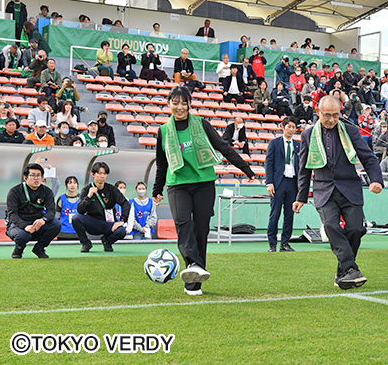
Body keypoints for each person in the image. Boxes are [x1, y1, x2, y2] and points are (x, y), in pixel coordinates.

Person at [153, 86, 255, 296]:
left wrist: (246, 169)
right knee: (183, 223)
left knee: (201, 230)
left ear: (190, 104)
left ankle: (194, 283)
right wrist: (157, 189)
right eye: (175, 102)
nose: (180, 107)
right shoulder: (163, 131)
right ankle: (193, 264)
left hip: (203, 183)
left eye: (184, 102)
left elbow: (223, 147)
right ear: (169, 103)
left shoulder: (201, 124)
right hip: (177, 184)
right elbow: (162, 164)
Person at [293, 96, 384, 290]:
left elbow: (368, 158)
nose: (332, 120)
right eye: (327, 115)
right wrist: (301, 197)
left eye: (336, 115)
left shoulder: (350, 131)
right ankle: (351, 268)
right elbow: (304, 169)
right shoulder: (308, 135)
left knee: (356, 230)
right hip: (323, 190)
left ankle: (343, 272)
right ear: (318, 113)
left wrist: (376, 179)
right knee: (332, 226)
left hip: (350, 188)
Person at [5, 163, 61, 259]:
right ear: (25, 178)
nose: (36, 178)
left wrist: (43, 220)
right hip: (18, 224)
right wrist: (25, 226)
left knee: (56, 225)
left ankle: (39, 248)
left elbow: (51, 211)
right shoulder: (15, 191)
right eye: (33, 175)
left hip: (37, 223)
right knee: (22, 236)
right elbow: (12, 214)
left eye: (38, 175)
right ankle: (19, 248)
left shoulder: (47, 191)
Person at [72, 162, 129, 253]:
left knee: (122, 231)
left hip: (108, 223)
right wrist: (89, 197)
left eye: (105, 173)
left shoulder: (111, 189)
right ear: (93, 174)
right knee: (76, 218)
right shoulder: (86, 189)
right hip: (93, 223)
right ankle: (86, 243)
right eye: (99, 173)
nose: (102, 176)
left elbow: (125, 203)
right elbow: (80, 210)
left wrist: (122, 220)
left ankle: (107, 241)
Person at [265, 117, 300, 252]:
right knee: (275, 213)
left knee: (289, 214)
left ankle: (285, 243)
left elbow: (301, 166)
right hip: (278, 182)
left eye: (293, 127)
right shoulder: (274, 143)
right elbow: (268, 163)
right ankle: (272, 243)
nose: (291, 130)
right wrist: (269, 183)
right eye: (289, 126)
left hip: (292, 182)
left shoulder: (298, 145)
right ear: (283, 127)